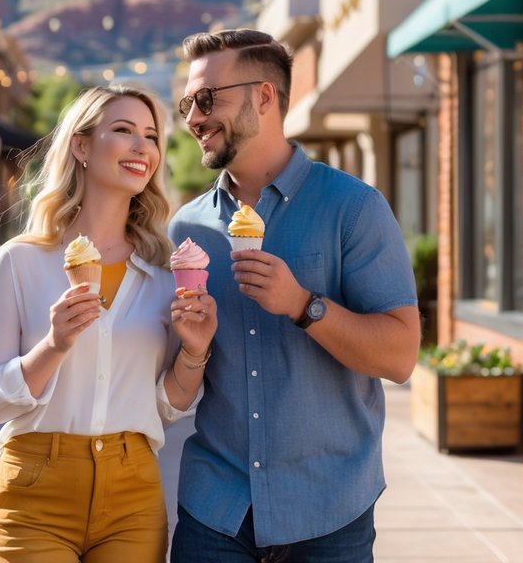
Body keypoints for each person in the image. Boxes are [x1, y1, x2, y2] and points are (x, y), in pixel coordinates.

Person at [168, 29, 420, 562]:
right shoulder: (185, 231)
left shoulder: (354, 208)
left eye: (208, 99)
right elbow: (168, 384)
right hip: (215, 513)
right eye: (187, 102)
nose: (193, 117)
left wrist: (306, 306)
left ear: (264, 96)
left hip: (331, 516)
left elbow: (400, 358)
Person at [0, 84, 217, 562]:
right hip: (35, 492)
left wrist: (194, 351)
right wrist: (54, 345)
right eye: (123, 130)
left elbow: (167, 405)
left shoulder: (164, 275)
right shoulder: (19, 262)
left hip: (133, 494)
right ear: (81, 145)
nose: (141, 146)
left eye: (151, 136)